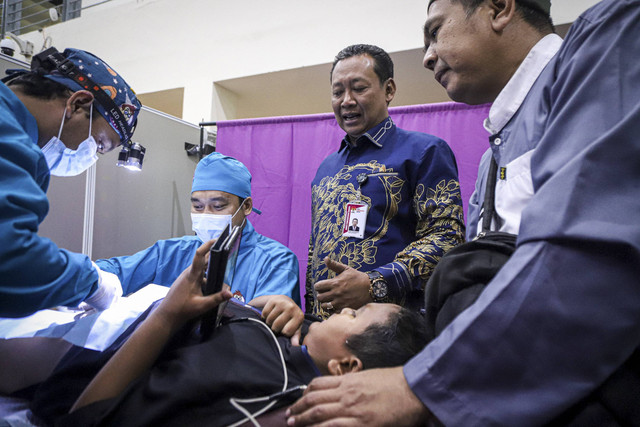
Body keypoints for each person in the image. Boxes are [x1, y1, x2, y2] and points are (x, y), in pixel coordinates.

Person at [286, 0, 640, 425]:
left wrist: (381, 294)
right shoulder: (493, 151)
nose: (428, 55)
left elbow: (451, 242)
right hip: (464, 359)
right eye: (338, 90)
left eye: (435, 31)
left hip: (426, 351)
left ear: (499, 8)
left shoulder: (602, 47)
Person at [27, 240, 429, 426]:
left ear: (345, 367)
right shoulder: (295, 337)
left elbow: (86, 417)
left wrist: (166, 316)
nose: (342, 307)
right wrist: (260, 307)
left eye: (354, 314)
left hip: (82, 369)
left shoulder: (268, 394)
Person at [306, 44, 465, 318]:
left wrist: (375, 284)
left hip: (392, 328)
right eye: (337, 91)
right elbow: (314, 251)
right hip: (325, 329)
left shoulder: (424, 151)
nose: (346, 100)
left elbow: (447, 238)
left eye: (358, 88)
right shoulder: (326, 168)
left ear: (389, 90)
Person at [0, 47, 142, 318]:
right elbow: (9, 260)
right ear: (77, 104)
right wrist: (91, 282)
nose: (91, 157)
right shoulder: (7, 135)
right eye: (99, 144)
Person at [96, 152, 301, 305]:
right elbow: (114, 272)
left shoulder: (276, 261)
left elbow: (267, 326)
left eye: (218, 206)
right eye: (198, 206)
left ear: (246, 206)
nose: (206, 215)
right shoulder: (170, 253)